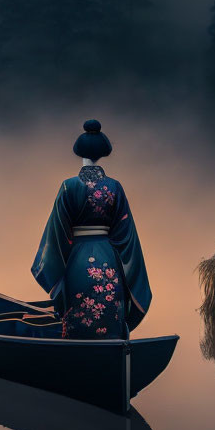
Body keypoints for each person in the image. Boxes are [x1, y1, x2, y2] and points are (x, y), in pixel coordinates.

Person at [31, 120, 151, 339]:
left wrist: (53, 266)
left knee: (78, 315)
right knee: (109, 310)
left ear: (80, 152)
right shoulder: (114, 187)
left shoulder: (69, 186)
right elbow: (126, 233)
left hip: (76, 261)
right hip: (108, 260)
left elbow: (57, 233)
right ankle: (111, 348)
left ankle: (76, 352)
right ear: (103, 153)